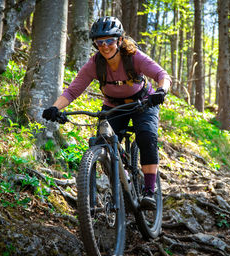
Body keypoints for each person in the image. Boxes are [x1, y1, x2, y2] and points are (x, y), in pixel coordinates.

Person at [43, 16, 171, 210]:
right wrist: (55, 108)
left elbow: (163, 75)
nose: (105, 46)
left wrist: (161, 91)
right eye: (99, 42)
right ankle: (124, 180)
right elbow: (72, 90)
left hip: (143, 103)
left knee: (146, 136)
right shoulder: (95, 64)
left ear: (119, 40)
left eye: (109, 40)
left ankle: (149, 191)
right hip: (113, 107)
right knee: (103, 143)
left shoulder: (134, 57)